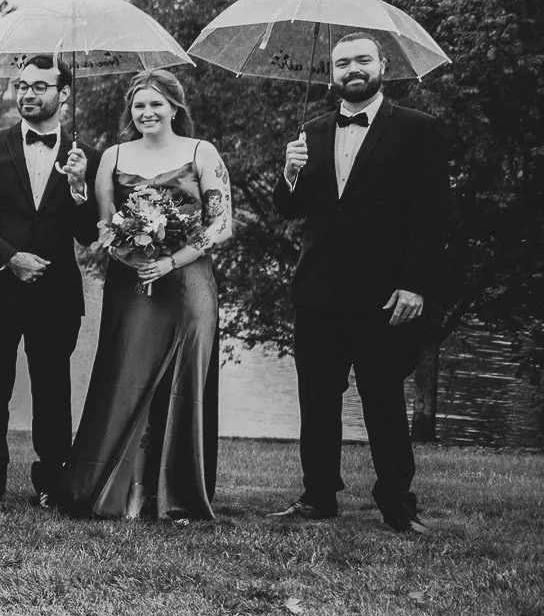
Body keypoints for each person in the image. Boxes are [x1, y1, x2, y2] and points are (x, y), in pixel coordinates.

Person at [269, 32, 452, 533]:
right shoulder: (312, 131)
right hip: (318, 292)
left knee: (384, 401)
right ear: (331, 73)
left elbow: (431, 218)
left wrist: (415, 285)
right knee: (318, 399)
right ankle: (318, 495)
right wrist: (288, 174)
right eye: (342, 61)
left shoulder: (419, 130)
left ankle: (396, 501)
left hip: (385, 295)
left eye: (362, 60)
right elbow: (292, 209)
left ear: (382, 66)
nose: (352, 68)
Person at [58, 69, 231, 522]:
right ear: (130, 112)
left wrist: (172, 260)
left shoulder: (201, 152)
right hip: (131, 283)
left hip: (189, 283)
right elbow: (102, 225)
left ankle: (175, 494)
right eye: (139, 105)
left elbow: (220, 223)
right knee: (126, 374)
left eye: (156, 104)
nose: (147, 112)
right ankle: (119, 491)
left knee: (183, 379)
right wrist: (132, 254)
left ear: (175, 107)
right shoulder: (113, 155)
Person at [0, 55, 98, 508]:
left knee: (53, 391)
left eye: (39, 86)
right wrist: (10, 257)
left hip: (55, 297)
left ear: (64, 93)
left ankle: (52, 483)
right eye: (21, 86)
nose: (27, 94)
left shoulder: (85, 156)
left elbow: (90, 235)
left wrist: (79, 188)